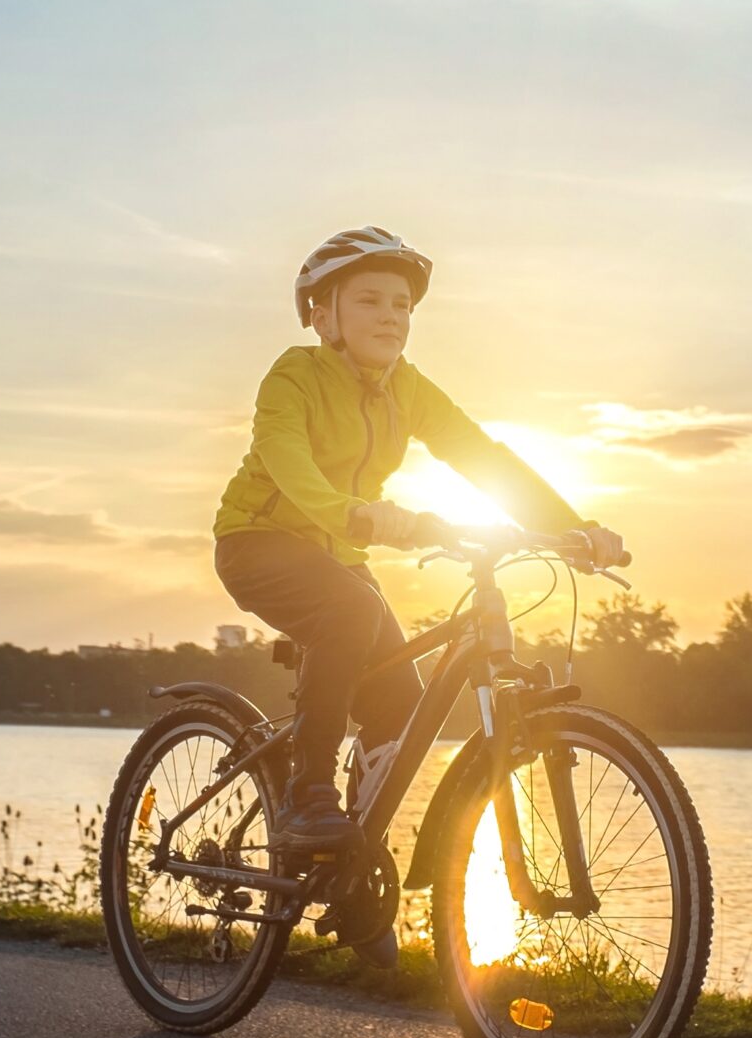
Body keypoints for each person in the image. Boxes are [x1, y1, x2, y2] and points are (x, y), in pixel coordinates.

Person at [213, 226, 628, 859]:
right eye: (370, 301)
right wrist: (358, 515)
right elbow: (288, 460)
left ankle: (343, 859)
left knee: (400, 708)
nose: (391, 317)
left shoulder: (407, 388)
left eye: (402, 305)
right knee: (348, 612)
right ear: (324, 318)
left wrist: (573, 526)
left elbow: (482, 455)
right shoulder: (293, 377)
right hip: (258, 541)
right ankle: (306, 796)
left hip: (340, 554)